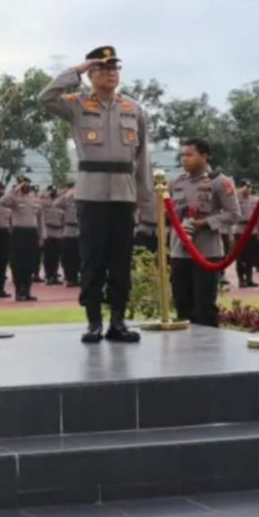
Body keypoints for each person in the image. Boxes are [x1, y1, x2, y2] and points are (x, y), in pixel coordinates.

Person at [39, 45, 153, 343]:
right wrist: (76, 70)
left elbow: (142, 158)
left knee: (120, 262)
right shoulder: (78, 103)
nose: (111, 74)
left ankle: (118, 321)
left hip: (124, 194)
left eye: (115, 68)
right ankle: (93, 322)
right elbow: (45, 97)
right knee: (92, 261)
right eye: (103, 68)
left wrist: (145, 201)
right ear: (91, 74)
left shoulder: (133, 108)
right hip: (91, 195)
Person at [168, 139, 239, 327]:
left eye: (189, 155)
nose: (185, 159)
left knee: (204, 306)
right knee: (182, 303)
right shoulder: (176, 182)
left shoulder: (219, 182)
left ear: (204, 156)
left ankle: (208, 349)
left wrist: (205, 223)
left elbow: (233, 214)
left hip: (206, 251)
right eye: (182, 155)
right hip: (179, 251)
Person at [0, 177, 45, 301]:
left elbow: (40, 219)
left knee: (30, 264)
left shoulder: (35, 197)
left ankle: (28, 291)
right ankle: (19, 291)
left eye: (27, 184)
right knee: (17, 264)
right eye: (22, 184)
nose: (25, 186)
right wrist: (15, 190)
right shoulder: (14, 197)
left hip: (32, 233)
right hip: (18, 233)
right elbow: (2, 202)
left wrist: (42, 236)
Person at [233, 181, 259, 288]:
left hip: (251, 229)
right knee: (240, 256)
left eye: (249, 187)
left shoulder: (254, 199)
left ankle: (249, 278)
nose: (247, 189)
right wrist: (239, 192)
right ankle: (241, 279)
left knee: (251, 256)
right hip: (239, 230)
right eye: (245, 187)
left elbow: (258, 216)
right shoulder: (236, 199)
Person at [55, 183, 81, 286]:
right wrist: (67, 193)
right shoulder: (67, 201)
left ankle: (78, 277)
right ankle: (70, 278)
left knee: (79, 256)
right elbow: (56, 203)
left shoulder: (82, 200)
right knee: (69, 256)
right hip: (69, 230)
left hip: (80, 230)